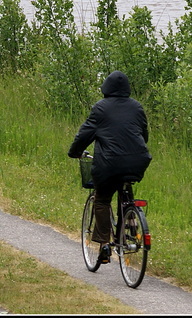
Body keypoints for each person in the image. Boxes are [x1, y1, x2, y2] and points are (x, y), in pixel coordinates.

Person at [68, 70, 151, 265]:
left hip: (109, 165)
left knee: (102, 199)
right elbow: (144, 136)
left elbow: (85, 135)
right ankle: (130, 224)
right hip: (138, 161)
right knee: (125, 189)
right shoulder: (137, 107)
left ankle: (104, 243)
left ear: (106, 88)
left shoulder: (100, 108)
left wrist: (74, 152)